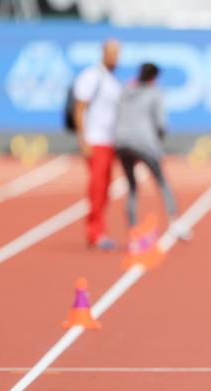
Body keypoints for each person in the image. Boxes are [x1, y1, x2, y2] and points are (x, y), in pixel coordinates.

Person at [114, 63, 191, 240]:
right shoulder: (155, 93)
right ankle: (175, 222)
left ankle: (133, 230)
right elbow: (160, 123)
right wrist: (159, 142)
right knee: (162, 182)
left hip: (121, 142)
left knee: (132, 187)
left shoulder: (125, 91)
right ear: (154, 78)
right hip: (144, 143)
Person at [74, 39, 122, 250]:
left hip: (110, 141)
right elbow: (79, 108)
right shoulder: (91, 76)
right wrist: (82, 139)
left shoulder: (112, 80)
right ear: (103, 53)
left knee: (105, 189)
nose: (115, 58)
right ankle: (95, 232)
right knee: (97, 187)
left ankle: (99, 230)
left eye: (117, 53)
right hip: (95, 141)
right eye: (112, 53)